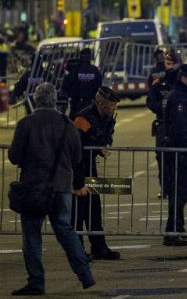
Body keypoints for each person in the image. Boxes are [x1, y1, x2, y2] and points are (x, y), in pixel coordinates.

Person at [9, 83, 95, 295]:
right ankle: (85, 274)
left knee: (32, 236)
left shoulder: (26, 124)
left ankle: (36, 282)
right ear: (55, 100)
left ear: (36, 100)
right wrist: (77, 183)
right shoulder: (67, 125)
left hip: (34, 187)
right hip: (62, 187)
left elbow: (15, 156)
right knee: (65, 230)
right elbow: (77, 158)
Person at [71, 86, 121, 260]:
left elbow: (103, 138)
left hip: (90, 166)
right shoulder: (82, 119)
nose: (115, 108)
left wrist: (101, 148)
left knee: (94, 209)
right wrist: (77, 183)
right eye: (112, 105)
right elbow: (74, 150)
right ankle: (76, 251)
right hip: (76, 169)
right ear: (101, 103)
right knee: (77, 213)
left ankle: (99, 248)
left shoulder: (106, 117)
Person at [161, 63, 187, 246]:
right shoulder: (179, 98)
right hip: (178, 152)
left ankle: (178, 229)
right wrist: (185, 148)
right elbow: (178, 128)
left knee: (181, 193)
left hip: (180, 151)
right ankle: (173, 232)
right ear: (184, 79)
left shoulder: (186, 95)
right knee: (179, 193)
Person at [61, 48, 102, 119]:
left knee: (74, 123)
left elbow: (65, 86)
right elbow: (99, 85)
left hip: (76, 103)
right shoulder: (95, 70)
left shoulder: (75, 69)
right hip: (91, 104)